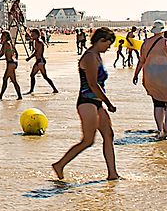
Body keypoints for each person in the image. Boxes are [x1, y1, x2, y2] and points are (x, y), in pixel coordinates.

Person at [51, 28, 120, 181]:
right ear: (101, 40)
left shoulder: (97, 56)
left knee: (109, 135)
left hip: (97, 102)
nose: (109, 48)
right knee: (88, 140)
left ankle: (112, 174)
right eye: (108, 44)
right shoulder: (89, 57)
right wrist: (108, 103)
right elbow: (93, 84)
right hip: (87, 102)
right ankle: (59, 164)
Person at [133, 21, 167, 140]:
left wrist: (136, 74)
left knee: (157, 102)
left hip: (151, 75)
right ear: (163, 31)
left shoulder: (145, 43)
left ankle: (160, 128)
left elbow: (141, 61)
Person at [26, 29, 58, 95]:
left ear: (37, 35)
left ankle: (31, 90)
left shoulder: (39, 42)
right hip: (40, 61)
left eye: (33, 35)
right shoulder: (36, 41)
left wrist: (29, 58)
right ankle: (54, 89)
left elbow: (37, 52)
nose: (32, 36)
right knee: (44, 76)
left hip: (40, 61)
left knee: (33, 75)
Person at [0, 32, 23, 100]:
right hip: (12, 63)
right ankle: (19, 96)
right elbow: (16, 53)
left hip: (10, 64)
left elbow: (2, 53)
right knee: (12, 80)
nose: (1, 37)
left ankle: (1, 96)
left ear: (6, 36)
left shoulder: (6, 43)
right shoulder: (10, 43)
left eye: (3, 35)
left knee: (6, 79)